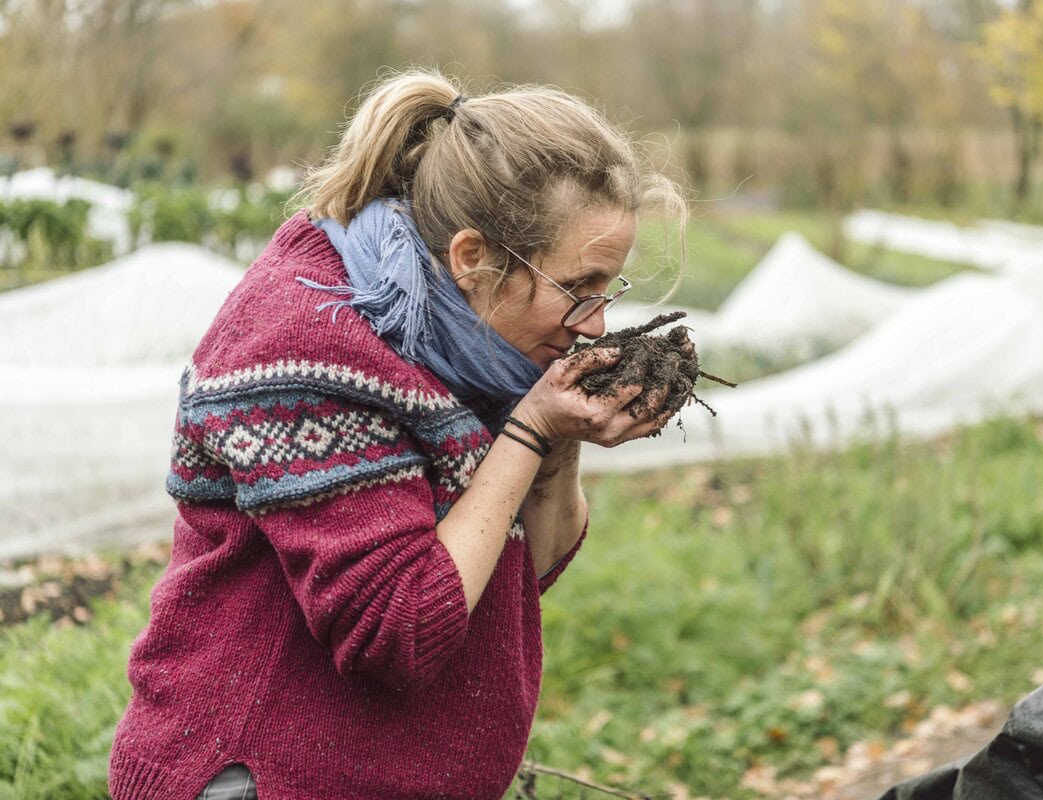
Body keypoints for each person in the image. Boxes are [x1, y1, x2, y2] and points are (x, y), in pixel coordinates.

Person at [107, 68, 687, 800]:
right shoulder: (306, 346)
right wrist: (532, 427)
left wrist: (561, 431)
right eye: (582, 288)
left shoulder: (468, 335)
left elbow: (522, 567)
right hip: (262, 779)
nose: (597, 324)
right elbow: (399, 631)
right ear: (473, 258)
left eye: (611, 289)